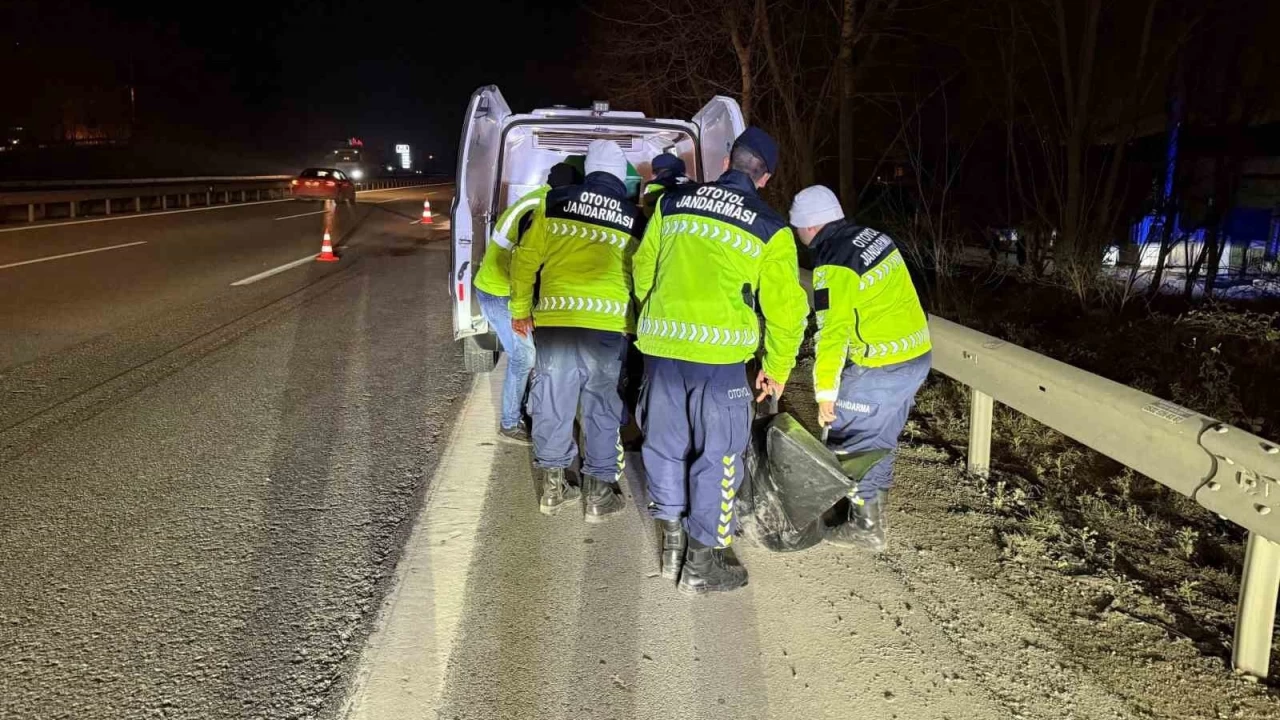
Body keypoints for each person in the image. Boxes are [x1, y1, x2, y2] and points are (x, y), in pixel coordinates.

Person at [633, 127, 809, 594]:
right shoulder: (771, 230)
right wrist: (777, 367)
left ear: (728, 162)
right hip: (721, 364)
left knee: (665, 444)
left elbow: (642, 268)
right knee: (720, 456)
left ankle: (672, 543)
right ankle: (700, 562)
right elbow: (787, 314)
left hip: (662, 352)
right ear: (765, 178)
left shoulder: (672, 205)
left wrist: (656, 310)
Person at [788, 185, 932, 552]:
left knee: (849, 442)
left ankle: (865, 526)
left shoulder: (833, 262)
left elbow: (831, 334)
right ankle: (870, 519)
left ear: (807, 228)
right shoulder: (875, 237)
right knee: (878, 442)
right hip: (915, 358)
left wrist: (825, 394)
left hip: (880, 367)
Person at [510, 141, 645, 519]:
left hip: (555, 322)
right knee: (600, 404)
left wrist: (521, 309)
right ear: (620, 177)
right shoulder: (634, 216)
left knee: (553, 398)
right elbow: (643, 275)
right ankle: (598, 496)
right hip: (606, 326)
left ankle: (553, 490)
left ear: (589, 171)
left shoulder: (553, 203)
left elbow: (524, 261)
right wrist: (638, 323)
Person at [473, 162, 583, 443]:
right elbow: (526, 262)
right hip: (501, 292)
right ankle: (510, 422)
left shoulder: (537, 199)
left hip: (500, 287)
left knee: (525, 357)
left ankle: (521, 412)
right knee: (525, 357)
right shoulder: (543, 208)